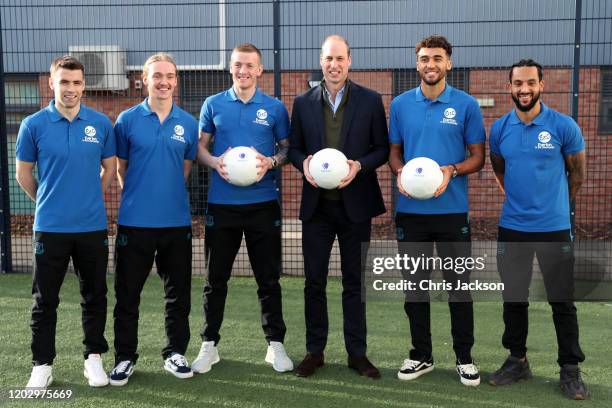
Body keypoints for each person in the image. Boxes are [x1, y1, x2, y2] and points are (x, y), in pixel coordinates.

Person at [289, 35, 388, 379]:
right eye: (328, 58)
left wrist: (359, 166)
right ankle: (315, 352)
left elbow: (382, 150)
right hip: (317, 208)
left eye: (340, 58)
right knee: (314, 282)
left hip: (355, 207)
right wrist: (304, 163)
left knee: (353, 283)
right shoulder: (302, 103)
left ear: (350, 61)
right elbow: (294, 149)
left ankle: (356, 354)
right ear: (321, 61)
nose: (334, 64)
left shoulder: (371, 101)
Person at [388, 35, 485, 386]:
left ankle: (464, 357)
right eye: (425, 58)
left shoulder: (466, 105)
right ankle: (421, 355)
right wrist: (400, 173)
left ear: (449, 64)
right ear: (417, 63)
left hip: (452, 212)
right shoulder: (400, 105)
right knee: (415, 287)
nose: (431, 64)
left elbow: (478, 157)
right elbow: (394, 152)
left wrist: (452, 171)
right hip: (411, 213)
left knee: (459, 286)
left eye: (438, 58)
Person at [488, 59, 587, 400]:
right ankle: (517, 360)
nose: (524, 89)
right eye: (518, 83)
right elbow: (500, 170)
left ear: (541, 85)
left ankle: (570, 369)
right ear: (509, 87)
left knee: (562, 301)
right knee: (514, 298)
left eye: (530, 82)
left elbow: (577, 175)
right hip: (512, 229)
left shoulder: (564, 126)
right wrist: (520, 201)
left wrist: (553, 206)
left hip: (554, 229)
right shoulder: (500, 129)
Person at [191, 43, 293, 374]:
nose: (243, 71)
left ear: (259, 70)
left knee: (268, 278)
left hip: (263, 204)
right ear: (231, 68)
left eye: (249, 65)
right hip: (222, 206)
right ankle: (209, 344)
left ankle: (275, 344)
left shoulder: (275, 108)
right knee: (215, 278)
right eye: (237, 65)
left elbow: (286, 149)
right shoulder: (213, 104)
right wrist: (215, 162)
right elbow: (200, 147)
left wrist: (271, 161)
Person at [16, 55, 116, 388]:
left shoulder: (100, 123)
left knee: (95, 295)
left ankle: (93, 359)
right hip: (50, 228)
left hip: (92, 227)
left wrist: (90, 198)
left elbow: (110, 169)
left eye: (76, 83)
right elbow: (23, 174)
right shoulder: (33, 125)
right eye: (64, 82)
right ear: (51, 83)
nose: (70, 89)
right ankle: (42, 364)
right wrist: (48, 202)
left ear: (84, 85)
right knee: (45, 301)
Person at [110, 53, 198, 385]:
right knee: (127, 294)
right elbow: (122, 169)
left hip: (176, 224)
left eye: (169, 76)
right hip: (135, 223)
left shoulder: (188, 123)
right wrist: (140, 198)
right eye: (157, 75)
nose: (163, 81)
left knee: (178, 293)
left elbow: (184, 170)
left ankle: (175, 352)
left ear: (176, 80)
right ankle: (124, 358)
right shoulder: (127, 120)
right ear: (144, 80)